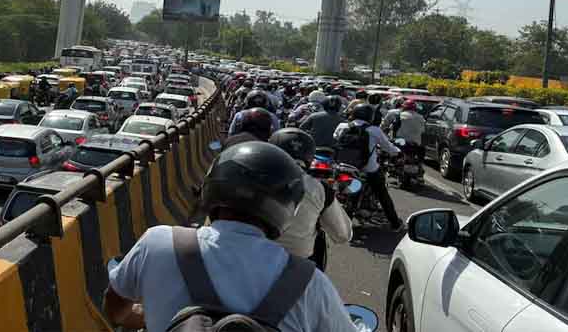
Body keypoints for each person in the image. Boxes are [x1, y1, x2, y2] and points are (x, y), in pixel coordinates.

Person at [105, 141, 358, 332]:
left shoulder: (157, 243)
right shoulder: (311, 283)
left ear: (213, 185)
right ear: (287, 207)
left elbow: (115, 309)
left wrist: (149, 317)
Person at [269, 128, 353, 261]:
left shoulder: (252, 179)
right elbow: (342, 235)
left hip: (248, 259)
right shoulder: (320, 189)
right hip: (297, 263)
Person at [338, 105, 402, 230]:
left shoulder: (343, 126)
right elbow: (388, 147)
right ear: (370, 116)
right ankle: (395, 224)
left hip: (344, 167)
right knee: (382, 195)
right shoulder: (374, 130)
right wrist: (398, 152)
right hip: (368, 169)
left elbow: (336, 137)